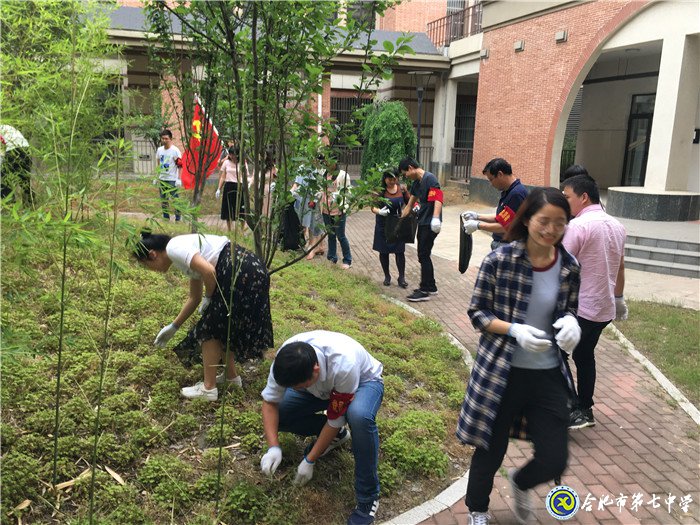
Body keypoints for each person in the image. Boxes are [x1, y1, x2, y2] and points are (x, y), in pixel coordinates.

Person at [457, 187, 582, 525]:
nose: (551, 230)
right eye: (544, 221)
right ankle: (478, 510)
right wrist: (513, 329)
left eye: (560, 223)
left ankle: (522, 481)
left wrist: (572, 320)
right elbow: (477, 313)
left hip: (547, 373)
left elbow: (570, 306)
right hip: (502, 372)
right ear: (527, 220)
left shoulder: (569, 266)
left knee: (555, 455)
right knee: (491, 448)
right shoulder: (500, 261)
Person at [259, 330, 384, 525]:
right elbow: (269, 403)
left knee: (359, 417)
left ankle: (368, 498)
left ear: (315, 370)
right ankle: (337, 438)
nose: (294, 390)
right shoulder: (286, 361)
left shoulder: (344, 364)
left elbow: (335, 419)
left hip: (363, 383)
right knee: (280, 414)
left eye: (297, 386)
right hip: (320, 390)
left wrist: (310, 460)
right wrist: (273, 446)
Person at [133, 232, 273, 401]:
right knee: (223, 325)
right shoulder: (182, 250)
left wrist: (209, 297)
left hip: (237, 270)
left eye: (146, 265)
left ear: (152, 254)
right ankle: (231, 377)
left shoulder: (173, 248)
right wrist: (174, 326)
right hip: (250, 268)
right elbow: (194, 297)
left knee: (210, 329)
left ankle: (208, 389)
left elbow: (208, 271)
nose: (151, 270)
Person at [561, 172, 627, 430]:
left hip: (582, 308)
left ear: (583, 197)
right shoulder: (617, 225)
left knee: (556, 354)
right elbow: (620, 267)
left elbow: (560, 266)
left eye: (567, 197)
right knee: (584, 355)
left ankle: (572, 409)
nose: (564, 202)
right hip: (604, 309)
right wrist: (619, 299)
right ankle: (584, 407)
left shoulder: (579, 226)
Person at [398, 157, 442, 302]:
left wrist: (435, 218)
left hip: (430, 223)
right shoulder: (417, 183)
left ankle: (425, 290)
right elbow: (410, 205)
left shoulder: (430, 179)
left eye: (405, 173)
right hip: (422, 221)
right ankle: (431, 286)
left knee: (423, 255)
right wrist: (399, 221)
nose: (406, 176)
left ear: (410, 168)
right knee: (424, 254)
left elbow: (438, 198)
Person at [461, 158, 528, 251]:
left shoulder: (516, 194)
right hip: (502, 245)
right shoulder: (508, 191)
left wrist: (478, 225)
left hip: (509, 247)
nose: (490, 184)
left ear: (500, 174)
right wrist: (477, 216)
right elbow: (501, 218)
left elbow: (506, 227)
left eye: (491, 179)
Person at [371, 170, 409, 288]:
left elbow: (409, 201)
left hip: (397, 223)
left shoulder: (401, 189)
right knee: (384, 251)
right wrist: (380, 211)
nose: (392, 182)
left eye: (394, 179)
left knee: (400, 251)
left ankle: (401, 277)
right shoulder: (379, 191)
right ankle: (387, 276)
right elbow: (372, 207)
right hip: (383, 224)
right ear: (385, 179)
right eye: (389, 179)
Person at [292, 162, 326, 260]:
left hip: (315, 200)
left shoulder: (319, 169)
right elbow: (296, 184)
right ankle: (316, 246)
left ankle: (313, 247)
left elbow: (320, 187)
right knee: (305, 222)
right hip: (303, 200)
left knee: (315, 222)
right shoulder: (302, 167)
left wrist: (315, 200)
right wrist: (291, 192)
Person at [321, 169, 353, 269]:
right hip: (326, 209)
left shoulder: (343, 175)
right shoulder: (324, 173)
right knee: (330, 235)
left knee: (341, 236)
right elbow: (321, 189)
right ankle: (331, 258)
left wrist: (341, 200)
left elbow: (348, 191)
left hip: (338, 210)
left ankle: (347, 259)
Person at [216, 146, 246, 232]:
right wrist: (219, 188)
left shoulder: (242, 163)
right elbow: (223, 176)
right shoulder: (226, 162)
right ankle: (229, 230)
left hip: (239, 186)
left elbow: (245, 176)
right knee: (228, 208)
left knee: (241, 209)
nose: (232, 156)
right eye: (231, 154)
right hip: (228, 186)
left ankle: (242, 229)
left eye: (234, 154)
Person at [155, 129, 182, 222]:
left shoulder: (175, 151)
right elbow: (158, 164)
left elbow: (180, 165)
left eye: (166, 138)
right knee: (164, 200)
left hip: (172, 179)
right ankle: (166, 218)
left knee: (175, 200)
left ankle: (178, 218)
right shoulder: (159, 150)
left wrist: (179, 179)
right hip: (162, 179)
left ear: (170, 139)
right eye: (162, 138)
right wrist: (157, 176)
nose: (164, 140)